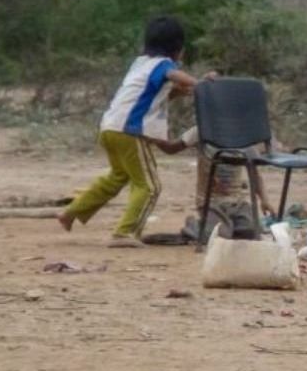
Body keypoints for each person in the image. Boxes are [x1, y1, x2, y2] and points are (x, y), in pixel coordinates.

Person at [61, 16, 207, 247]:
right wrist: (201, 84)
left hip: (110, 128)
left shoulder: (140, 64)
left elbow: (152, 97)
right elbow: (172, 75)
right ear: (178, 50)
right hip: (130, 132)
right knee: (150, 186)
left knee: (117, 177)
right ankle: (125, 233)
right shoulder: (164, 65)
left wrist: (179, 93)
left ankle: (71, 212)